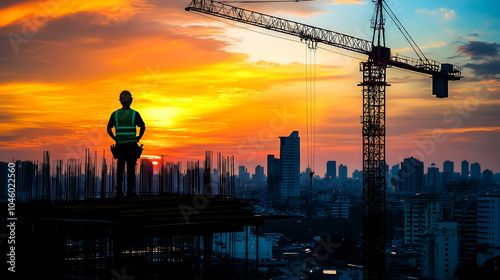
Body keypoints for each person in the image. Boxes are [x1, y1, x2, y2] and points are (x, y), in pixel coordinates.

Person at [107, 90, 146, 198]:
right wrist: (138, 137)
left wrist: (115, 138)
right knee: (131, 170)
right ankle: (130, 192)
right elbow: (143, 126)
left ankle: (119, 192)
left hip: (120, 146)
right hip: (131, 146)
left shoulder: (115, 114)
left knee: (120, 169)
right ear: (129, 101)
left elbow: (108, 129)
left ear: (121, 102)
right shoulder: (134, 114)